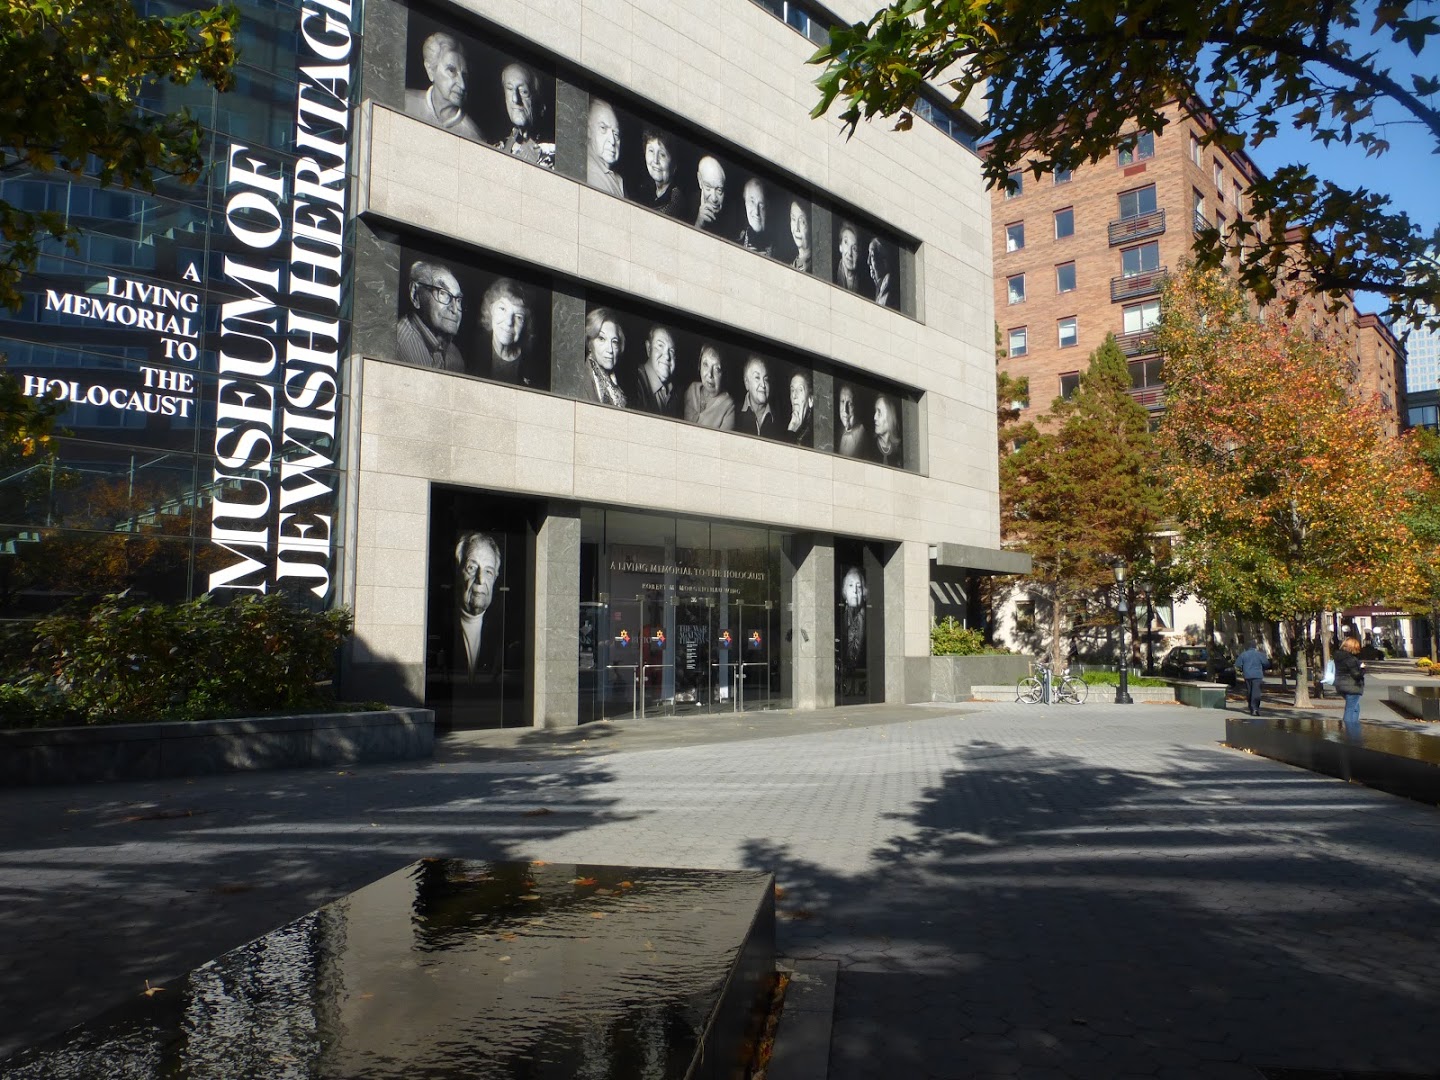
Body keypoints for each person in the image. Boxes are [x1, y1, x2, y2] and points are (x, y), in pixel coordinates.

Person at [405, 33, 481, 141]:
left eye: (464, 75)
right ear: (430, 70)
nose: (462, 85)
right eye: (451, 71)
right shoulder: (404, 101)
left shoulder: (473, 135)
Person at [396, 260, 466, 373]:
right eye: (443, 293)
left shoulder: (455, 355)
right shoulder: (399, 345)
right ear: (415, 295)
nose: (454, 309)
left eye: (458, 300)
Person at [455, 531, 502, 678]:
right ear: (459, 571)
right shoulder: (437, 622)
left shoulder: (503, 629)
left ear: (495, 578)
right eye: (472, 568)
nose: (480, 579)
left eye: (488, 571)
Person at [491, 62, 554, 168]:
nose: (515, 99)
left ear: (541, 105)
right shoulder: (496, 148)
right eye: (509, 89)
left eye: (524, 92)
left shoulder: (554, 154)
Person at [478, 278, 535, 385]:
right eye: (502, 309)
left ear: (525, 324)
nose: (509, 322)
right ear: (491, 310)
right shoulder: (473, 349)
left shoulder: (532, 362)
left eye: (518, 317)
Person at [628, 324, 681, 417]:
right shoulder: (632, 381)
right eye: (660, 345)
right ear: (649, 348)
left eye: (671, 351)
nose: (667, 356)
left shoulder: (675, 394)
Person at [581, 307, 627, 407]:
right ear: (589, 343)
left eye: (614, 342)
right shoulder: (580, 377)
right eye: (602, 339)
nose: (610, 349)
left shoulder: (616, 387)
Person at [683, 344, 736, 430]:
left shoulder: (729, 405)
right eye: (705, 364)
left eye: (717, 369)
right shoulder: (691, 389)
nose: (710, 374)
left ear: (723, 373)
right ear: (699, 366)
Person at [642, 128, 686, 218]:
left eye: (662, 154)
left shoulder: (676, 199)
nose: (655, 160)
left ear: (674, 164)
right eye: (651, 151)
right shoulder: (643, 188)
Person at [586, 98, 624, 197]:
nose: (612, 141)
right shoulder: (587, 172)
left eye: (616, 134)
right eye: (603, 128)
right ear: (588, 131)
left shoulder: (617, 178)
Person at [1334, 634, 1366, 739]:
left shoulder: (1339, 657)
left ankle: (1354, 730)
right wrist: (1362, 668)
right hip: (1352, 686)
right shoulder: (1350, 659)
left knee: (1355, 708)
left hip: (1341, 685)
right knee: (1350, 709)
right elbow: (1356, 675)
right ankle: (1349, 732)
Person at [739, 354, 775, 438]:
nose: (763, 384)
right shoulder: (734, 413)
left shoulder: (779, 419)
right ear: (747, 383)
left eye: (766, 379)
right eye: (757, 377)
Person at [1234, 638, 1271, 716]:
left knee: (1250, 691)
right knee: (1256, 692)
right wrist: (1262, 668)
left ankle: (1251, 707)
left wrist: (1243, 669)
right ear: (1255, 646)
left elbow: (1238, 664)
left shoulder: (1243, 654)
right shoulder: (1260, 654)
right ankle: (1255, 709)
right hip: (1257, 675)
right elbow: (1266, 664)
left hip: (1247, 675)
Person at [836, 384, 872, 459]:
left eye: (850, 404)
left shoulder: (861, 434)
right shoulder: (840, 430)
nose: (845, 410)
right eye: (842, 402)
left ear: (857, 406)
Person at [738, 177, 771, 255]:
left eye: (761, 204)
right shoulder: (735, 242)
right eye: (752, 202)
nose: (756, 211)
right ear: (745, 203)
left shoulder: (779, 251)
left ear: (767, 206)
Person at [694, 156, 726, 233]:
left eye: (719, 190)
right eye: (708, 187)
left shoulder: (735, 215)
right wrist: (698, 224)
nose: (714, 198)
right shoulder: (687, 204)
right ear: (700, 181)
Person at [835, 223, 864, 294]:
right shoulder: (831, 273)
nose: (850, 253)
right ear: (840, 246)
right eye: (846, 243)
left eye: (854, 248)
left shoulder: (864, 283)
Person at [873, 394, 900, 466]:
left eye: (879, 412)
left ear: (890, 416)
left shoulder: (900, 452)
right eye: (875, 411)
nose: (874, 417)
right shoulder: (868, 446)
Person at [786, 371, 813, 444]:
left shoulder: (816, 436)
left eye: (800, 390)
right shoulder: (782, 427)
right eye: (792, 390)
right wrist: (791, 431)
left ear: (810, 400)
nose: (794, 395)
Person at [867, 237, 894, 306]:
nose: (868, 261)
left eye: (872, 255)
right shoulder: (880, 288)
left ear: (884, 261)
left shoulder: (888, 293)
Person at [789, 200, 812, 272]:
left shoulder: (815, 265)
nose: (797, 228)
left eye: (802, 222)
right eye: (793, 219)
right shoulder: (792, 263)